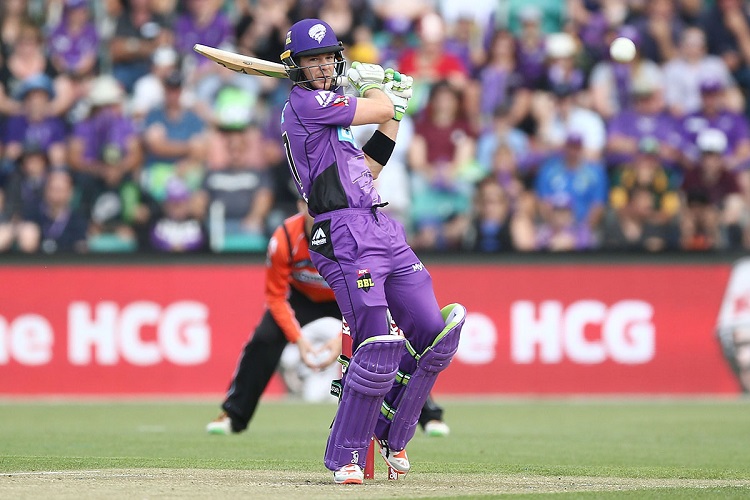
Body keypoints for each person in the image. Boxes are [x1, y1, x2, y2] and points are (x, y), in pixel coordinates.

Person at [278, 18, 466, 484]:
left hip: (380, 224)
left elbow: (371, 165)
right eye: (312, 60)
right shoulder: (305, 104)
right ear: (297, 66)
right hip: (343, 232)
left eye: (328, 57)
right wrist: (381, 92)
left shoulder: (333, 124)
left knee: (434, 332)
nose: (322, 66)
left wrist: (393, 112)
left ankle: (389, 427)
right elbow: (375, 105)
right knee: (376, 346)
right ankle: (345, 455)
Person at [206, 202, 450, 437]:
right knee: (264, 339)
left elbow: (371, 289)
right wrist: (298, 339)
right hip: (302, 298)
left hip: (351, 295)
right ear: (300, 207)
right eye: (311, 206)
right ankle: (232, 415)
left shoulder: (353, 235)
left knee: (387, 344)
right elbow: (275, 297)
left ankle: (429, 415)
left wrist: (341, 339)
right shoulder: (285, 238)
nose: (318, 212)